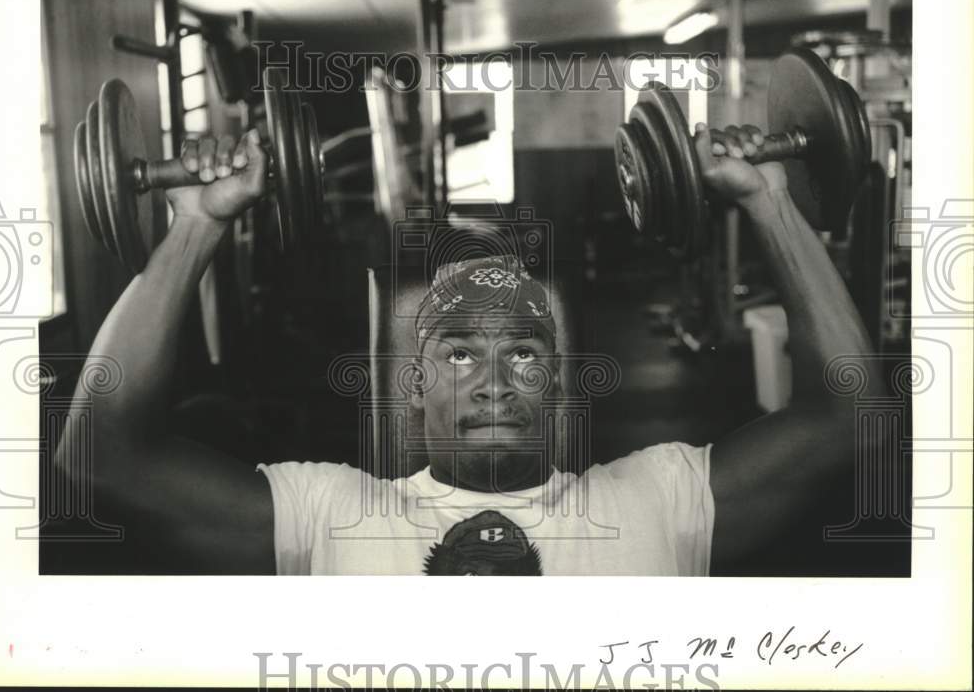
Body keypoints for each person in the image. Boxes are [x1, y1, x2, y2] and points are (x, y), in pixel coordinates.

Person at [56, 121, 883, 576]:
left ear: (557, 382)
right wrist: (198, 221)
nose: (493, 381)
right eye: (457, 354)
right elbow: (98, 456)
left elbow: (851, 420)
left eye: (523, 354)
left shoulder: (657, 500)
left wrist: (769, 202)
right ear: (412, 385)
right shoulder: (328, 516)